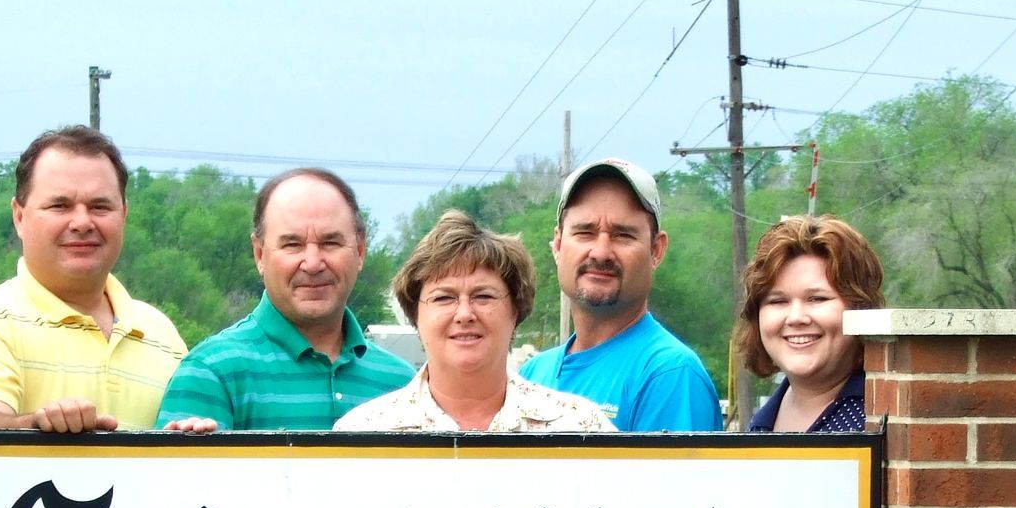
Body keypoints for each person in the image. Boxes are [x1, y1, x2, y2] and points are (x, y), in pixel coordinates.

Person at [0, 127, 187, 433]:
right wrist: (42, 428)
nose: (81, 222)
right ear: (19, 217)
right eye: (60, 206)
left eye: (100, 206)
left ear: (124, 214)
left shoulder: (164, 336)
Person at [157, 168, 415, 429]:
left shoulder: (404, 385)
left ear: (360, 251)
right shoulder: (209, 374)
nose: (313, 263)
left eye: (330, 243)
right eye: (293, 245)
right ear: (260, 254)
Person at [335, 211, 609, 434]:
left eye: (483, 296)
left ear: (516, 310)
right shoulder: (362, 434)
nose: (464, 314)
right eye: (444, 298)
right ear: (415, 315)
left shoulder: (582, 428)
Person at [519, 159, 720, 432]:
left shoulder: (669, 374)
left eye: (623, 235)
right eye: (585, 232)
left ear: (656, 250)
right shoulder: (533, 374)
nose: (601, 252)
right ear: (557, 244)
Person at [737, 215, 883, 435]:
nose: (796, 317)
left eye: (817, 299)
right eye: (778, 301)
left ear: (860, 307)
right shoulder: (760, 422)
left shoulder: (884, 421)